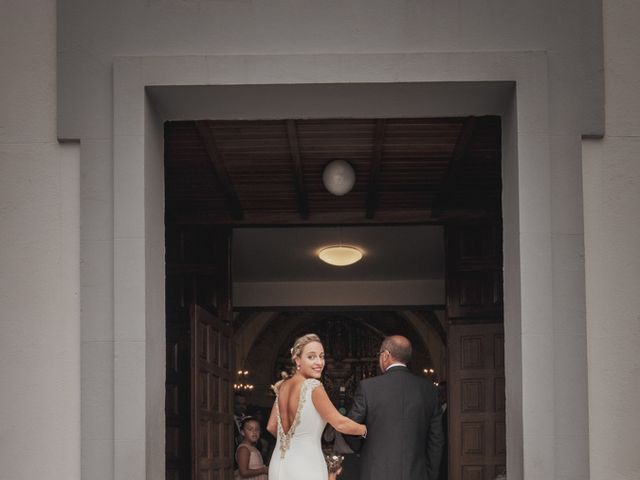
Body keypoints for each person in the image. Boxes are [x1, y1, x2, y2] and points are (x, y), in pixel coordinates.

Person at [267, 333, 367, 480]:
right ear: (297, 360)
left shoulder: (282, 386)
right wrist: (365, 430)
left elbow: (271, 426)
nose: (319, 362)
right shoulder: (313, 387)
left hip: (279, 464)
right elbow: (340, 423)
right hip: (307, 464)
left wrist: (293, 443)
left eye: (322, 356)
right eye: (311, 357)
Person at [346, 335, 444, 480]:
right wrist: (430, 475)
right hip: (416, 474)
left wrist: (363, 447)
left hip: (376, 473)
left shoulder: (368, 387)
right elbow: (436, 440)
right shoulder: (429, 390)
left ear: (385, 356)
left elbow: (349, 427)